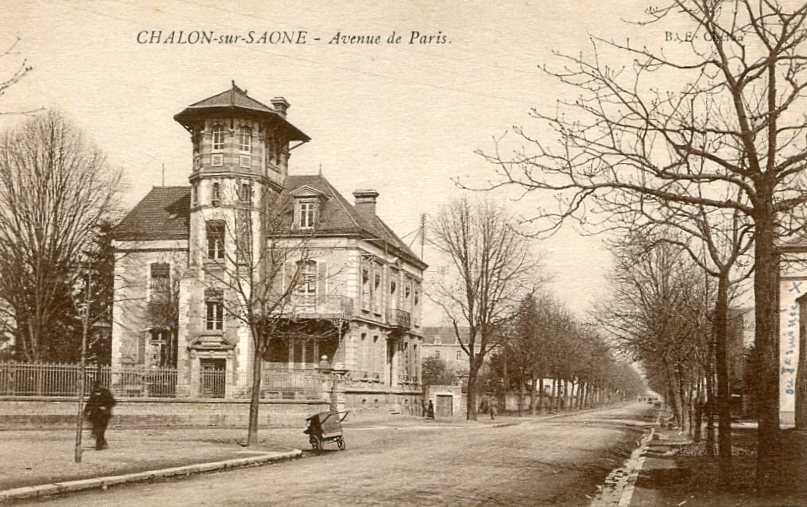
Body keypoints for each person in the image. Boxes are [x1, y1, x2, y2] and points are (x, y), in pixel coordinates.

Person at [84, 380, 116, 450]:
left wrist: (105, 407)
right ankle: (103, 442)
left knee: (101, 430)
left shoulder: (106, 392)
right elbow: (89, 402)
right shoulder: (93, 393)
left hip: (104, 415)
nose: (96, 388)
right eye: (95, 387)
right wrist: (85, 411)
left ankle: (99, 446)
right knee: (96, 431)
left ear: (101, 385)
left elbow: (113, 402)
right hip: (95, 415)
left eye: (98, 387)